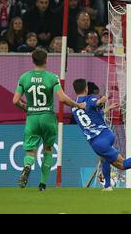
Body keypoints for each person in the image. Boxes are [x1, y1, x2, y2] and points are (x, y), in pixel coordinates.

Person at [72, 78, 131, 191]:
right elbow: (94, 113)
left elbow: (94, 104)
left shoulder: (74, 107)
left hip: (98, 141)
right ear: (86, 88)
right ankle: (107, 186)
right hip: (106, 134)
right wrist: (106, 106)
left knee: (122, 164)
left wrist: (100, 101)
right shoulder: (89, 99)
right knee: (103, 158)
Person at [13, 49, 85, 190]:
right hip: (47, 117)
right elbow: (63, 98)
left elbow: (15, 100)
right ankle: (42, 184)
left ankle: (27, 166)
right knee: (48, 148)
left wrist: (24, 107)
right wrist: (78, 105)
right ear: (46, 60)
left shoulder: (24, 78)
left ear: (33, 61)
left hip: (32, 118)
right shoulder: (52, 77)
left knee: (30, 151)